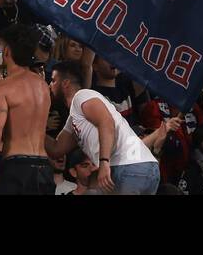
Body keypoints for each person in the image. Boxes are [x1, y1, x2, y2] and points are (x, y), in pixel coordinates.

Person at [48, 61, 161, 194]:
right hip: (140, 168)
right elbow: (57, 149)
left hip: (128, 167)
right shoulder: (75, 117)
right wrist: (32, 125)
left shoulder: (82, 96)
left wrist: (104, 162)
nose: (50, 85)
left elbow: (107, 123)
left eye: (53, 80)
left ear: (65, 83)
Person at [0, 24, 53, 195]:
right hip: (44, 167)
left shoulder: (3, 88)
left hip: (18, 168)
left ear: (6, 52)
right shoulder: (43, 86)